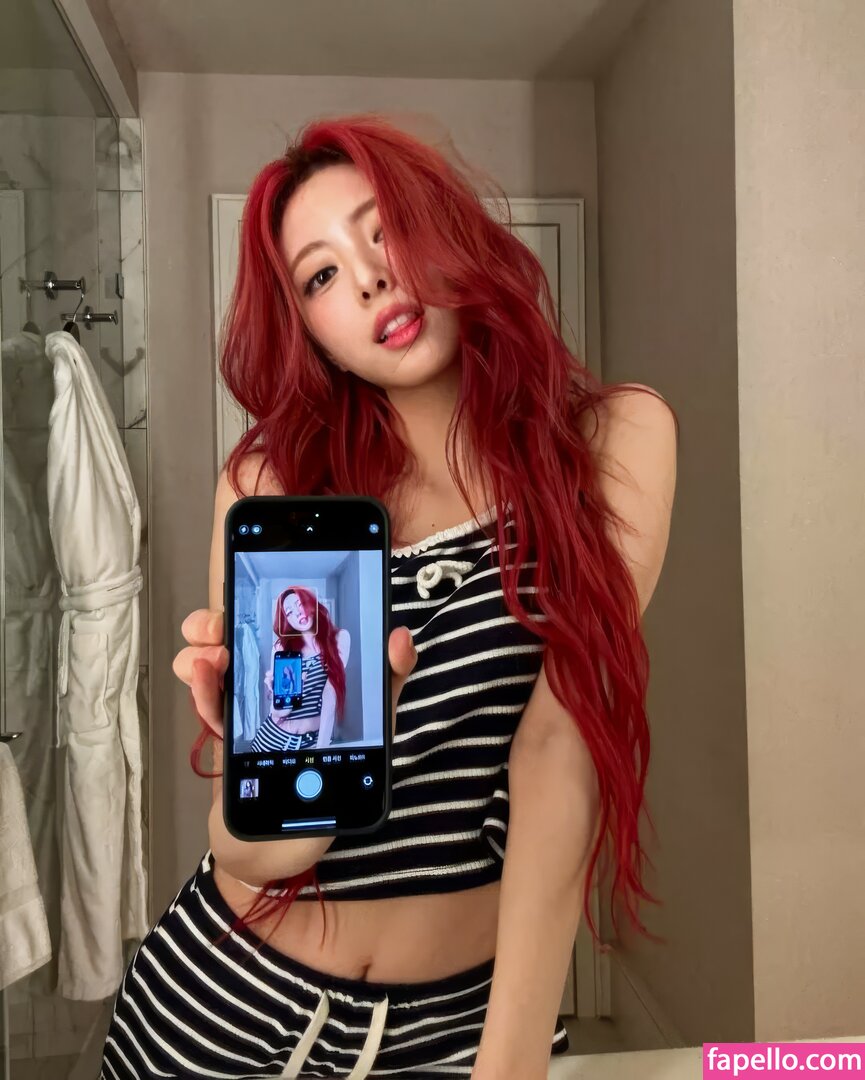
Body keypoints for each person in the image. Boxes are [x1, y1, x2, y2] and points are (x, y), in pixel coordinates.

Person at [101, 114, 677, 1078]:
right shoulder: (271, 485)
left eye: (385, 232)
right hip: (224, 1010)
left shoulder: (610, 443)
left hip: (466, 1028)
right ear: (308, 329)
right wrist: (280, 754)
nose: (369, 278)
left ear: (447, 230)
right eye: (321, 275)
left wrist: (510, 1063)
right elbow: (257, 857)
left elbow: (559, 748)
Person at [252, 586, 350, 753]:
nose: (297, 613)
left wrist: (322, 748)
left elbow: (330, 695)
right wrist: (280, 692)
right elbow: (280, 713)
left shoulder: (339, 638)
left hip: (314, 742)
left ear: (311, 603)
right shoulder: (282, 647)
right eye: (289, 613)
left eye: (300, 604)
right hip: (273, 740)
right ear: (287, 621)